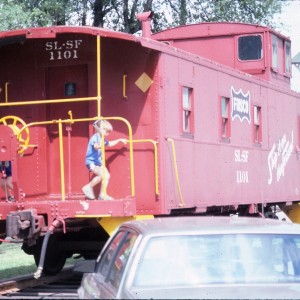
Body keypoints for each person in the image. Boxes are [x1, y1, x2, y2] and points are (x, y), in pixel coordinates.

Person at [82, 119, 127, 200]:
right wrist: (100, 145)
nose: (108, 134)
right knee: (102, 175)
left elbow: (109, 144)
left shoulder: (102, 138)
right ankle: (87, 187)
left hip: (98, 162)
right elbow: (95, 146)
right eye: (106, 131)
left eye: (109, 132)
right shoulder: (95, 137)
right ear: (100, 129)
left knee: (107, 176)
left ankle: (102, 195)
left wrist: (119, 140)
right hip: (92, 162)